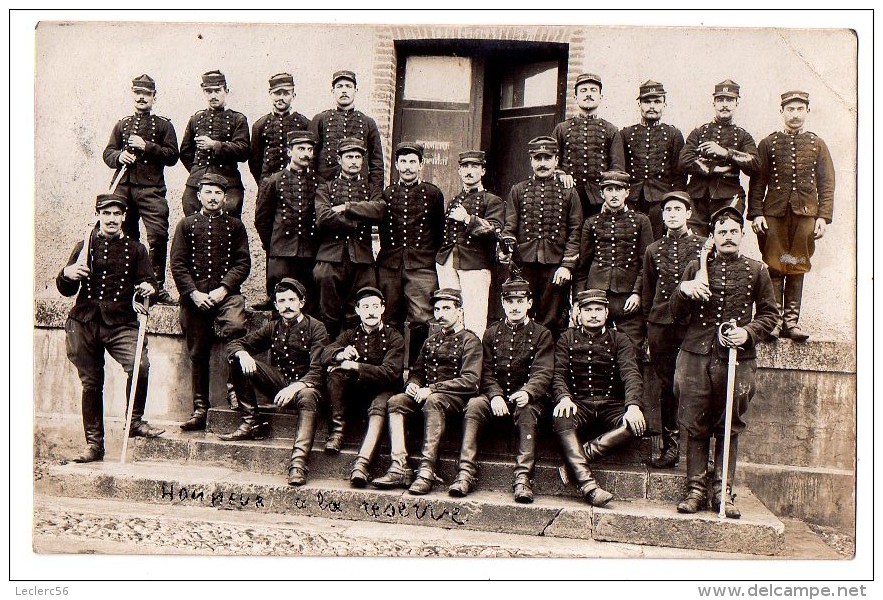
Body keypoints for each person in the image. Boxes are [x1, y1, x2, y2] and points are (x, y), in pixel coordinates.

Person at [671, 204, 778, 518]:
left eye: (734, 231)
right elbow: (675, 314)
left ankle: (723, 492)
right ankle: (694, 489)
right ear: (713, 237)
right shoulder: (695, 266)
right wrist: (683, 289)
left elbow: (770, 314)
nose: (728, 237)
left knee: (729, 424)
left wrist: (747, 333)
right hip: (694, 355)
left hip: (736, 358)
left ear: (741, 235)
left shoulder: (757, 270)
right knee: (692, 421)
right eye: (722, 232)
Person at [56, 193, 164, 463]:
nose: (112, 219)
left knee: (139, 365)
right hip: (86, 323)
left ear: (124, 217)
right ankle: (94, 445)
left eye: (117, 214)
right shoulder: (85, 245)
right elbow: (67, 289)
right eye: (107, 213)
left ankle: (135, 420)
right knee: (91, 383)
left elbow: (150, 283)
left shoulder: (136, 249)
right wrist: (66, 274)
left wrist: (148, 288)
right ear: (98, 215)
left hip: (121, 323)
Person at [448, 275, 554, 503]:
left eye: (520, 301)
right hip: (495, 397)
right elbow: (484, 370)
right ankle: (465, 473)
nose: (515, 307)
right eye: (510, 301)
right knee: (475, 405)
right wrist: (494, 395)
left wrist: (527, 392)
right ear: (503, 304)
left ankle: (523, 478)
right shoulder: (491, 333)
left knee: (528, 410)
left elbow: (543, 371)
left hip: (527, 398)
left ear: (529, 303)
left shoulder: (542, 334)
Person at [371, 289, 482, 495]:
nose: (440, 313)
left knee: (433, 401)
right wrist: (413, 384)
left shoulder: (470, 341)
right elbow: (417, 371)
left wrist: (431, 389)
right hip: (427, 394)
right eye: (437, 309)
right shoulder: (430, 341)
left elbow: (471, 381)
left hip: (456, 398)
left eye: (447, 308)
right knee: (396, 401)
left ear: (460, 311)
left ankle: (427, 469)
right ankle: (399, 465)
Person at [223, 278, 329, 486]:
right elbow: (235, 343)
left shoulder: (317, 328)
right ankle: (252, 422)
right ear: (276, 305)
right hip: (281, 386)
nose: (287, 305)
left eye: (292, 300)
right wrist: (243, 354)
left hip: (309, 389)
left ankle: (298, 465)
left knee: (307, 395)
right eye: (281, 301)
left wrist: (296, 387)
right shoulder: (273, 327)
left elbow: (318, 370)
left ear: (302, 302)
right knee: (238, 359)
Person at [748, 90, 835, 341]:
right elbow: (758, 182)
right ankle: (773, 322)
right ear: (782, 111)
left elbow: (826, 183)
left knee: (795, 263)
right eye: (790, 109)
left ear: (807, 111)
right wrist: (756, 214)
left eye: (800, 109)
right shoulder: (768, 143)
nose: (794, 114)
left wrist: (823, 217)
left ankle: (791, 322)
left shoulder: (817, 144)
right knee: (775, 264)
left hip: (805, 214)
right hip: (773, 214)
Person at [170, 173, 251, 431]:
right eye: (208, 192)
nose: (213, 197)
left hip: (226, 296)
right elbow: (178, 264)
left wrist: (224, 289)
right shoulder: (186, 225)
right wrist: (193, 293)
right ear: (199, 196)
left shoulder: (236, 227)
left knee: (237, 330)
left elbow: (242, 263)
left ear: (225, 198)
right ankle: (200, 408)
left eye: (218, 193)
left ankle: (235, 391)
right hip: (195, 297)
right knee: (197, 350)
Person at [552, 289, 645, 507]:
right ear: (579, 313)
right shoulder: (566, 339)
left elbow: (631, 373)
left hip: (611, 403)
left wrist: (632, 406)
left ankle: (574, 463)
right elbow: (558, 374)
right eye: (588, 310)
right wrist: (564, 397)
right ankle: (588, 486)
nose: (593, 315)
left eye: (598, 310)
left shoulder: (620, 339)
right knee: (561, 418)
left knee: (635, 425)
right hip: (579, 402)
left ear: (606, 312)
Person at [640, 191, 705, 468]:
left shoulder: (704, 247)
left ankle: (699, 452)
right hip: (661, 325)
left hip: (692, 326)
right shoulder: (653, 250)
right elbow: (647, 291)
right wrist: (647, 331)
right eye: (667, 210)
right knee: (666, 385)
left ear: (688, 213)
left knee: (694, 385)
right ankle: (670, 447)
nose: (673, 214)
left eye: (678, 209)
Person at [102, 74, 179, 305]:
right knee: (126, 236)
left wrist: (147, 147)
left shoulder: (164, 125)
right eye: (138, 93)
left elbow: (173, 155)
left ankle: (157, 287)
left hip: (151, 190)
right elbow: (108, 153)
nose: (142, 98)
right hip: (123, 189)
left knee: (157, 235)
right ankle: (129, 285)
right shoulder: (122, 124)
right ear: (132, 95)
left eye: (147, 94)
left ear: (154, 97)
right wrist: (119, 156)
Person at [319, 287, 404, 484]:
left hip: (386, 391)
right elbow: (325, 353)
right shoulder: (350, 335)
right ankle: (338, 430)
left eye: (375, 306)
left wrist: (355, 365)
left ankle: (361, 466)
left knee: (380, 403)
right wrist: (340, 354)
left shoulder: (394, 337)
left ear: (383, 309)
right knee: (336, 372)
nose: (371, 311)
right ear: (357, 310)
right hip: (358, 395)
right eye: (365, 307)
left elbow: (390, 373)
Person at [502, 136, 583, 337]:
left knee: (552, 319)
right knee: (523, 314)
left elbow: (575, 230)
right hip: (524, 264)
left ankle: (548, 366)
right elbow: (510, 226)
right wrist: (506, 248)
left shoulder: (568, 191)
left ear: (556, 160)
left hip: (556, 266)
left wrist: (567, 265)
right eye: (538, 158)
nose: (543, 163)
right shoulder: (518, 190)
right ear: (531, 161)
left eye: (548, 158)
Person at [377, 142, 445, 366]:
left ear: (421, 165)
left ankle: (417, 373)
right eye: (403, 162)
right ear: (396, 165)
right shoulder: (386, 194)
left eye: (412, 162)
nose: (407, 167)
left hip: (421, 265)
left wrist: (429, 259)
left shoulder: (433, 194)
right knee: (389, 318)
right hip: (390, 265)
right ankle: (392, 371)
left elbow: (439, 230)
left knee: (421, 319)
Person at [313, 137, 384, 339]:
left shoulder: (371, 189)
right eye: (348, 157)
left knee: (361, 311)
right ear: (339, 159)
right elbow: (323, 216)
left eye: (357, 157)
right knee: (328, 314)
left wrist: (346, 207)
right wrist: (357, 221)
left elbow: (379, 209)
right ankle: (328, 358)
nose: (353, 161)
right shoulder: (325, 187)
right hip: (330, 259)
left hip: (361, 259)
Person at [576, 170, 654, 353]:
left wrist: (636, 293)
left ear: (627, 192)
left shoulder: (641, 221)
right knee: (594, 351)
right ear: (601, 193)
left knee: (631, 350)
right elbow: (582, 267)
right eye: (609, 189)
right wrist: (578, 301)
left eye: (618, 189)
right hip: (596, 298)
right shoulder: (591, 223)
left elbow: (646, 265)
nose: (614, 194)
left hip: (628, 300)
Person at [435, 150, 505, 339]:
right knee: (450, 315)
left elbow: (495, 231)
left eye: (474, 166)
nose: (469, 171)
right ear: (459, 171)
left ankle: (473, 366)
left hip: (475, 263)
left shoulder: (492, 201)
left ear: (482, 171)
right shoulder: (454, 200)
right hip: (447, 262)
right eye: (465, 166)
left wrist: (467, 218)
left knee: (474, 319)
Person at [679, 79, 759, 236]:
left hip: (728, 198)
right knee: (694, 244)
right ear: (714, 103)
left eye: (729, 100)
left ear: (737, 103)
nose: (724, 104)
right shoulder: (699, 133)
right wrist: (713, 168)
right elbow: (684, 159)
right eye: (720, 99)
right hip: (696, 199)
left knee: (725, 241)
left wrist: (726, 153)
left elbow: (755, 163)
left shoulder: (743, 136)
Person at [254, 130, 320, 313]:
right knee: (280, 303)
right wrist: (274, 245)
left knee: (308, 305)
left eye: (309, 149)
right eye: (301, 148)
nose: (306, 153)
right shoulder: (273, 181)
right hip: (281, 253)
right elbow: (262, 219)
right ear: (289, 152)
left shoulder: (318, 182)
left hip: (309, 253)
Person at [620, 80, 687, 239]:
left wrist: (674, 204)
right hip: (632, 200)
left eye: (657, 102)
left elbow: (679, 175)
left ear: (664, 105)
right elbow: (620, 168)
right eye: (647, 101)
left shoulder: (673, 135)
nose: (652, 106)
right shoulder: (626, 134)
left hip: (661, 201)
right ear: (639, 105)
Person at [180, 70, 250, 219]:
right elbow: (186, 152)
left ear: (226, 91)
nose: (213, 96)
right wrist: (198, 171)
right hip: (197, 181)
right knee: (191, 217)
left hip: (229, 181)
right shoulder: (196, 119)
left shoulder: (237, 119)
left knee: (229, 219)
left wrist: (215, 145)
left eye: (217, 91)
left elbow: (243, 151)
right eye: (208, 91)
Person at [553, 73, 625, 218]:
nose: (588, 94)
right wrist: (561, 174)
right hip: (568, 196)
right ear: (575, 98)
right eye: (583, 90)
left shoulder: (611, 130)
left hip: (599, 200)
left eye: (593, 90)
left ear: (600, 97)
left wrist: (609, 195)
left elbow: (617, 168)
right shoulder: (562, 129)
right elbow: (552, 162)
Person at [310, 70, 384, 189]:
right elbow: (310, 157)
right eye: (339, 86)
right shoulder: (320, 119)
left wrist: (375, 192)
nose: (344, 90)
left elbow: (377, 163)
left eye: (348, 86)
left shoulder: (368, 122)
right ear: (332, 91)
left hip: (359, 189)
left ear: (355, 91)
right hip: (325, 189)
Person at [248, 73, 311, 185]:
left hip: (297, 185)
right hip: (268, 183)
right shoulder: (260, 125)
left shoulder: (304, 124)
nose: (281, 98)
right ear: (270, 94)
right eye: (277, 93)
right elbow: (254, 162)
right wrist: (265, 183)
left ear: (293, 95)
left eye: (286, 93)